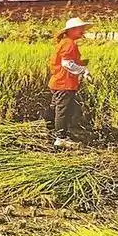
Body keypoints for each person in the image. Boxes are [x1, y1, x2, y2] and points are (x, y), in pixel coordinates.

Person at [47, 18, 93, 148]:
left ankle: (52, 131)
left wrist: (81, 64)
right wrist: (83, 70)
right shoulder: (69, 44)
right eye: (80, 28)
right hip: (64, 83)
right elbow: (67, 63)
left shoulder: (65, 42)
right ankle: (60, 138)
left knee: (56, 107)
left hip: (59, 81)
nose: (82, 31)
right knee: (63, 110)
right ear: (71, 30)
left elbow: (68, 62)